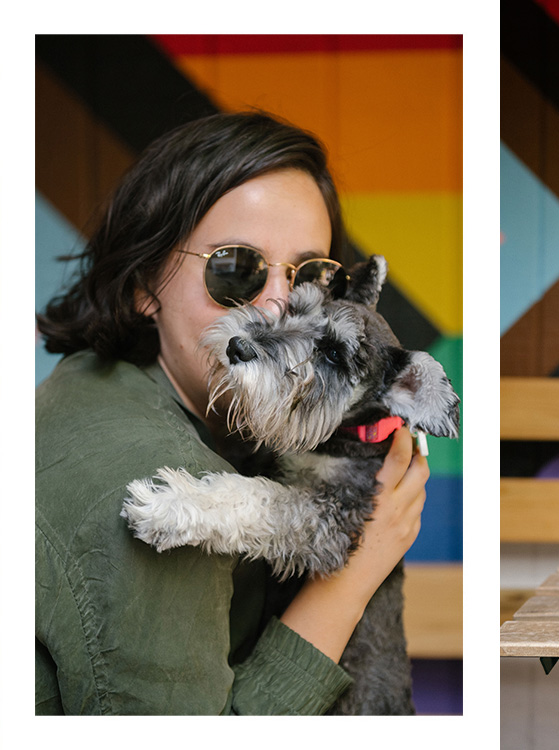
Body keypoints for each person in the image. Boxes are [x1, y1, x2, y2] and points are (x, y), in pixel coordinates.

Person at [35, 111, 430, 714]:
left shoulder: (108, 379)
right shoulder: (155, 479)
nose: (279, 309)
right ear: (146, 283)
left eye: (312, 277)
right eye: (234, 268)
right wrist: (355, 572)